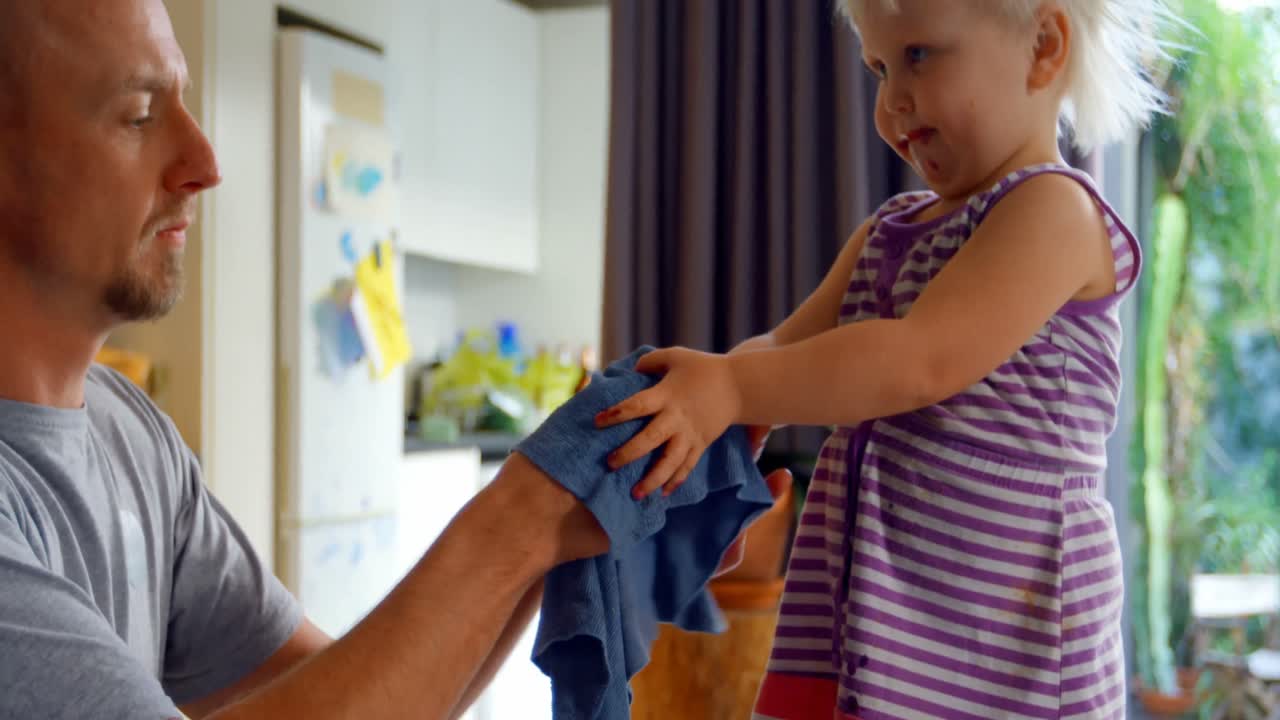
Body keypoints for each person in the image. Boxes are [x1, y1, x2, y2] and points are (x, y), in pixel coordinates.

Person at [0, 2, 787, 719]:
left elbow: (374, 696)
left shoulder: (131, 433)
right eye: (139, 115)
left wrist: (577, 514)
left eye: (183, 103)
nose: (204, 159)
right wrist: (522, 510)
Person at [595, 1, 1169, 717]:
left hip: (994, 643)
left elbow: (917, 360)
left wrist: (737, 387)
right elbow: (782, 349)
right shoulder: (889, 231)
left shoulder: (1053, 212)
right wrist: (712, 422)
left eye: (919, 56)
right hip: (870, 616)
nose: (892, 101)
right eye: (878, 67)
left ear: (1043, 47)